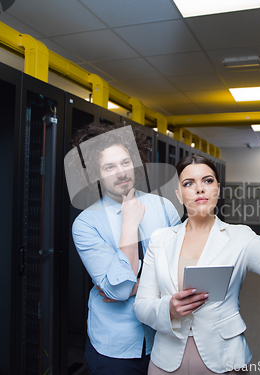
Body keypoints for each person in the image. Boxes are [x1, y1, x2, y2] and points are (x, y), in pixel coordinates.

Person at [133, 155, 260, 374]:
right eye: (188, 183)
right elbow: (142, 305)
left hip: (224, 357)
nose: (200, 189)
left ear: (218, 189)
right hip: (166, 358)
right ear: (178, 195)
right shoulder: (160, 239)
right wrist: (169, 309)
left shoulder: (241, 236)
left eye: (207, 181)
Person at [69, 122, 181, 375]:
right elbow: (120, 289)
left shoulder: (164, 207)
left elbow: (183, 271)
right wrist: (129, 224)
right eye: (109, 167)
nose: (121, 173)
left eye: (125, 162)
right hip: (115, 349)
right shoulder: (86, 223)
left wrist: (134, 287)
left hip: (165, 337)